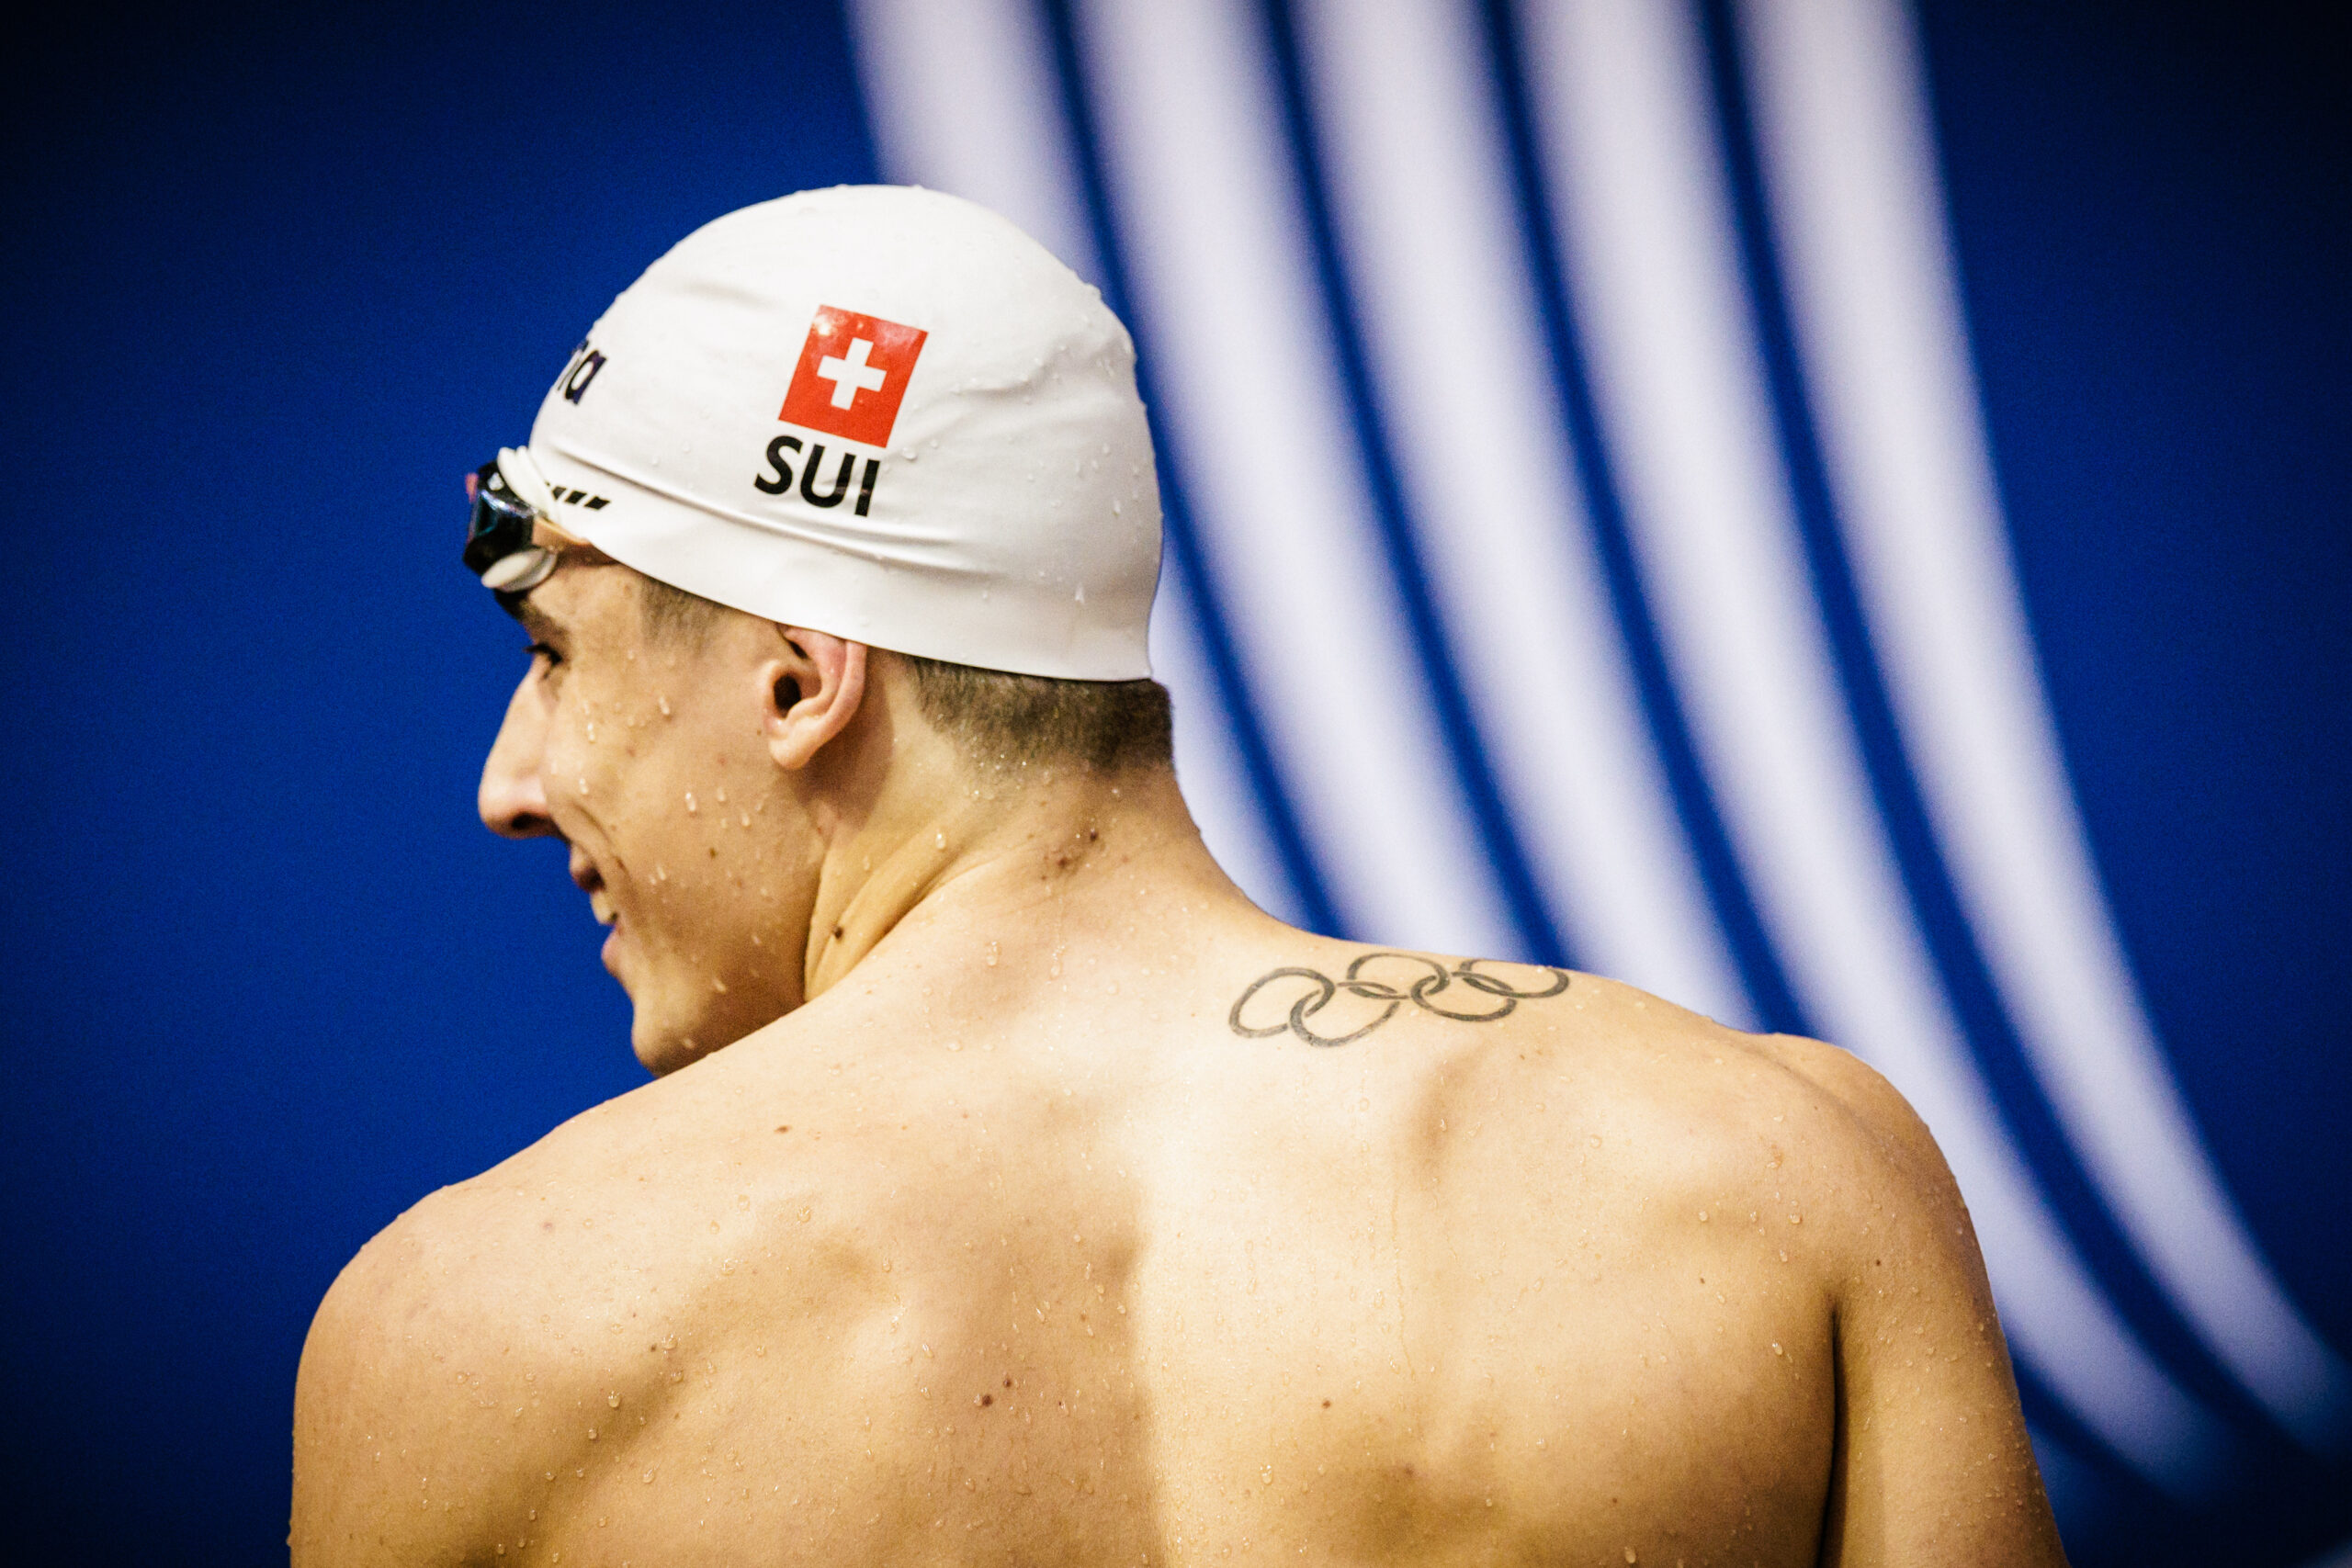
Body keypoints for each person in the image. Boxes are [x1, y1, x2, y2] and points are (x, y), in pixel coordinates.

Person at [291, 186, 2065, 1566]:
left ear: (796, 682)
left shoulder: (482, 1331)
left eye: (554, 654)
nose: (509, 786)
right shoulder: (1770, 1179)